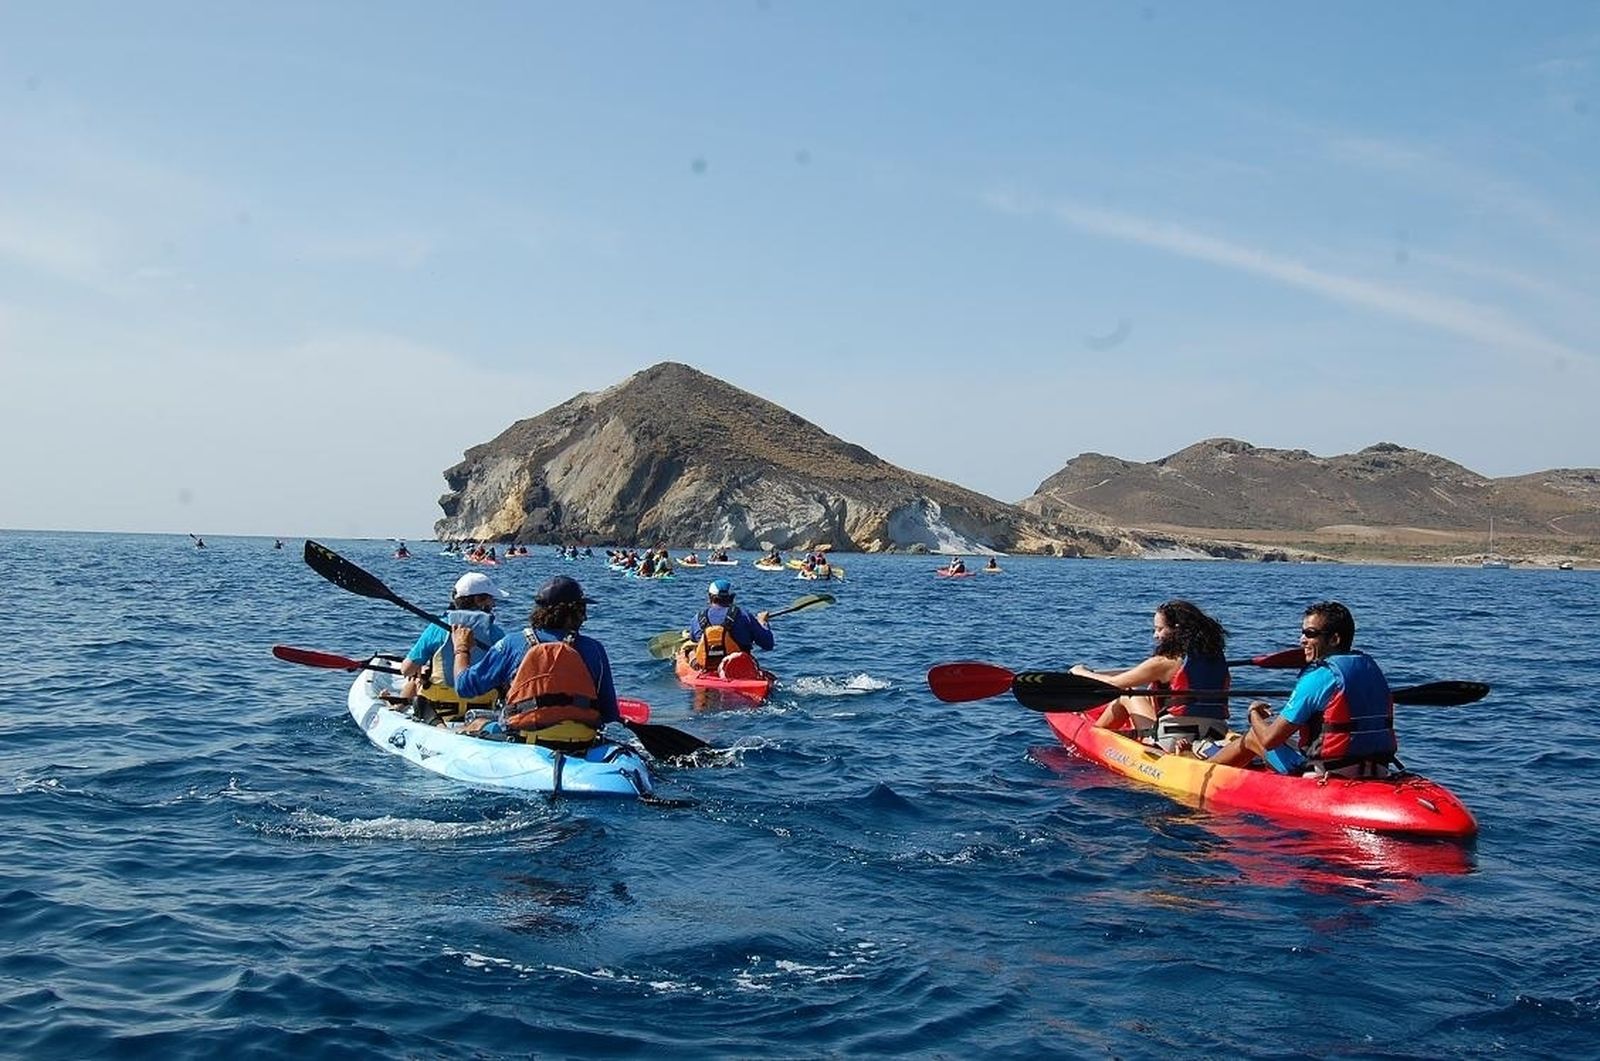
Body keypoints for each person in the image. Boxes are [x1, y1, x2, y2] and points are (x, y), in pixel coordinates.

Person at [1208, 601, 1398, 777]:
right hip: (1379, 770)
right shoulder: (1372, 669)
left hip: (1326, 774)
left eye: (1310, 634)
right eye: (1303, 633)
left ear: (1334, 639)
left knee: (1253, 736)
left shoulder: (1318, 677)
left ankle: (1204, 773)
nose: (1302, 640)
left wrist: (1253, 714)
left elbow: (1269, 740)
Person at [453, 575, 623, 749]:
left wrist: (461, 648)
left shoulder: (512, 644)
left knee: (477, 722)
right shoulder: (595, 649)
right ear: (575, 613)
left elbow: (464, 687)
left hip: (524, 738)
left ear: (539, 611)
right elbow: (609, 714)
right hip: (582, 741)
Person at [1070, 599, 1231, 751]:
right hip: (1215, 734)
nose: (1155, 635)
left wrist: (1081, 672)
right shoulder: (1215, 658)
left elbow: (1113, 684)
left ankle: (1094, 734)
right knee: (1149, 693)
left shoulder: (1165, 662)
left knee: (1127, 694)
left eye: (1160, 629)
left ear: (1177, 630)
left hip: (1173, 738)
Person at [399, 571, 511, 724]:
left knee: (415, 677)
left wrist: (421, 670)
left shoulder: (437, 628)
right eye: (491, 599)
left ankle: (396, 707)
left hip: (438, 712)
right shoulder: (496, 633)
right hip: (482, 711)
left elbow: (406, 670)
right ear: (479, 600)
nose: (494, 604)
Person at [684, 579, 773, 678]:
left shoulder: (697, 618)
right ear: (732, 598)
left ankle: (696, 665)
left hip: (707, 668)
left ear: (709, 598)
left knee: (690, 650)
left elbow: (694, 639)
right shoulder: (745, 616)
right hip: (739, 669)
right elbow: (768, 644)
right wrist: (762, 622)